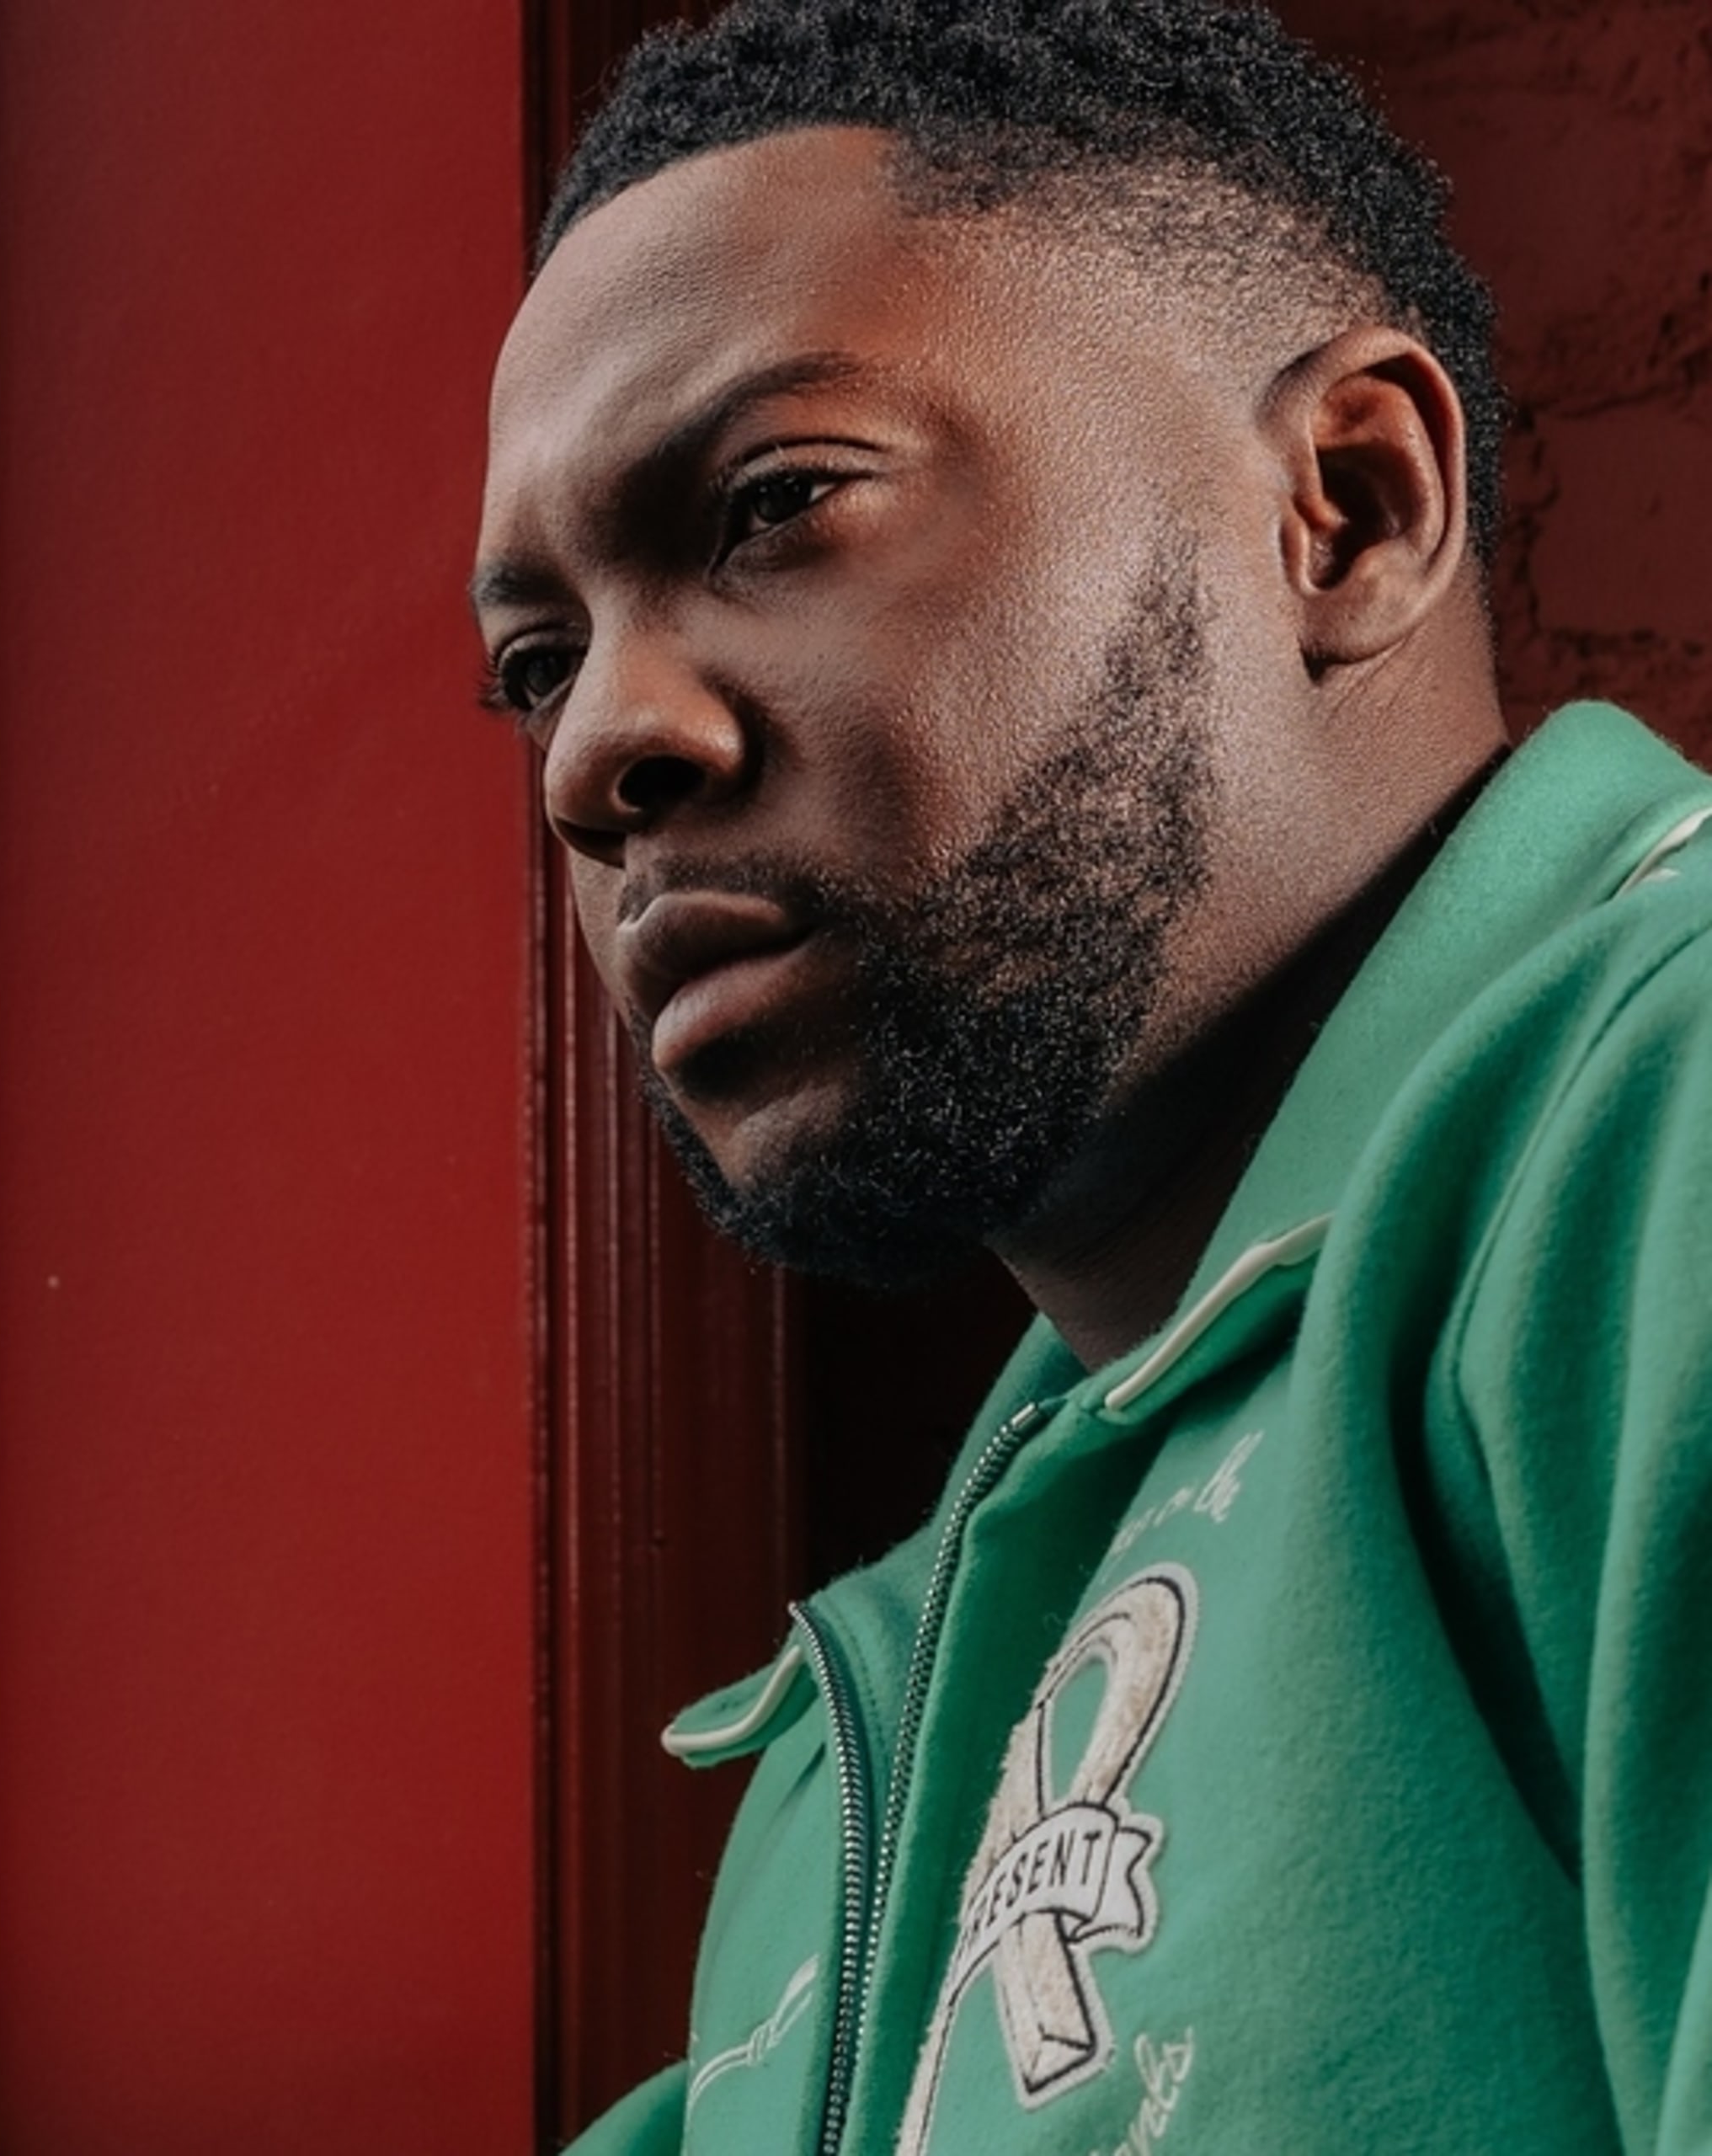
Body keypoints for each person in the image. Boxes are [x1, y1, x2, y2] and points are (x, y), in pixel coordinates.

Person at [472, 1, 1712, 2149]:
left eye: (775, 503)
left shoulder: (1666, 1133)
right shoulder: (836, 1769)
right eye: (533, 661)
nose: (595, 749)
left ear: (1344, 506)